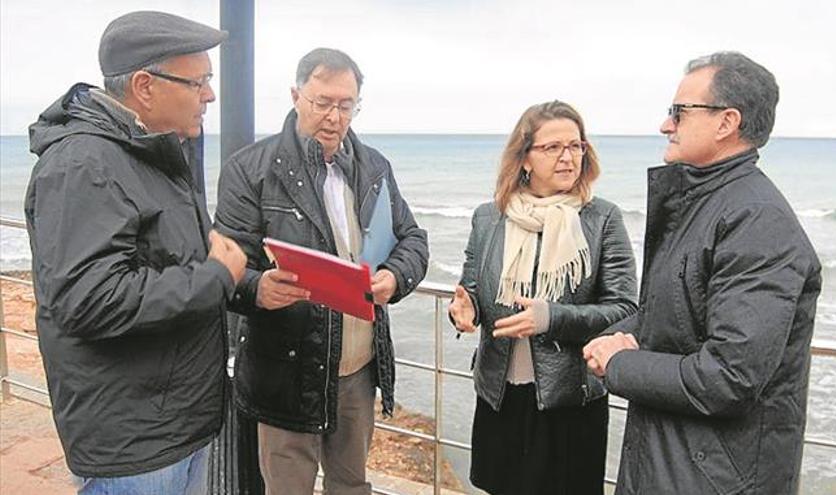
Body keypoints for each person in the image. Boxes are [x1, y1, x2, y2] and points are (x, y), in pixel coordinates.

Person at [24, 11, 246, 495]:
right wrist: (218, 277)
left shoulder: (151, 153)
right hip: (134, 442)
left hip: (173, 422)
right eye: (199, 81)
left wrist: (245, 285)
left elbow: (174, 261)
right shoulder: (85, 163)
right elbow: (91, 299)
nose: (209, 94)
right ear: (145, 86)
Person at [583, 52, 822, 494]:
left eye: (679, 111)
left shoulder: (756, 220)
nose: (665, 124)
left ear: (726, 122)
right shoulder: (704, 204)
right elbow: (675, 311)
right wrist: (613, 334)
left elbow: (729, 377)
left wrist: (619, 363)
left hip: (714, 480)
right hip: (673, 464)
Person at [214, 47, 429, 494]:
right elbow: (225, 262)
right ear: (296, 96)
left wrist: (394, 276)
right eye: (322, 102)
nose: (334, 116)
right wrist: (257, 288)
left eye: (346, 105)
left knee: (350, 486)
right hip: (285, 370)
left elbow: (413, 239)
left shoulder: (373, 166)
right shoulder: (250, 169)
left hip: (357, 367)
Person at [448, 100, 638, 494]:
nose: (568, 158)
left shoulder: (602, 218)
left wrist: (552, 318)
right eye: (553, 147)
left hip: (569, 398)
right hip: (499, 393)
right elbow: (472, 292)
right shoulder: (489, 217)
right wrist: (463, 310)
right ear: (525, 158)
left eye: (576, 146)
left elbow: (625, 309)